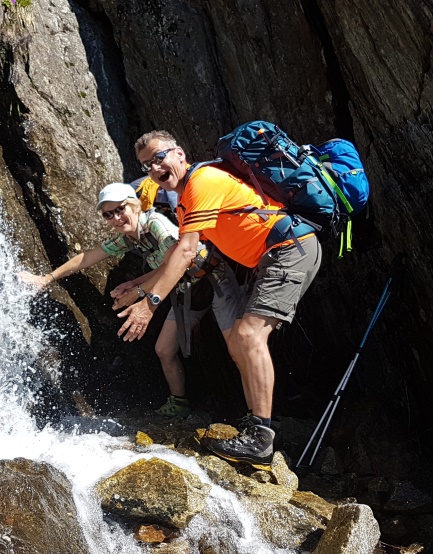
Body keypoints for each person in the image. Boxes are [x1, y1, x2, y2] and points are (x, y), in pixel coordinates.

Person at [116, 130, 323, 468]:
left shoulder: (203, 182)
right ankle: (259, 422)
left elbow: (186, 252)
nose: (154, 168)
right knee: (240, 340)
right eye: (146, 165)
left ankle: (261, 437)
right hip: (273, 258)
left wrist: (149, 304)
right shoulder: (185, 203)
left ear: (179, 154)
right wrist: (137, 288)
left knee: (249, 335)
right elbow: (180, 258)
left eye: (159, 157)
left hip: (290, 249)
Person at [20, 182, 244, 417]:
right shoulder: (128, 239)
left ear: (135, 206)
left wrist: (138, 290)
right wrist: (47, 278)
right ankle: (179, 404)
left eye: (120, 209)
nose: (116, 218)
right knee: (164, 350)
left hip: (213, 280)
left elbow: (176, 263)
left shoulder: (155, 224)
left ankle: (254, 414)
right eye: (108, 214)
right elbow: (87, 258)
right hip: (185, 289)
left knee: (238, 348)